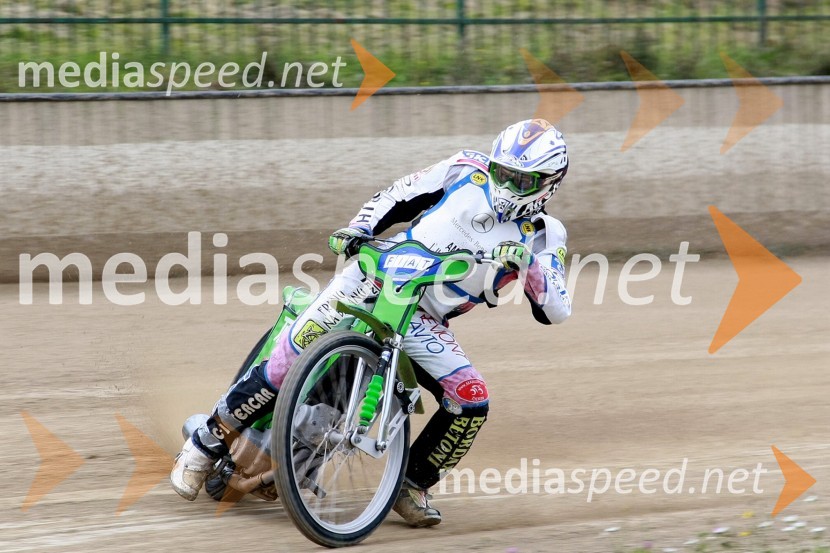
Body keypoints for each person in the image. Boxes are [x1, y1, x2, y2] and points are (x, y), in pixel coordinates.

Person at [170, 118, 572, 527]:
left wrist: (530, 265)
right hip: (370, 280)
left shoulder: (544, 234)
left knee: (471, 398)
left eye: (521, 181)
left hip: (423, 318)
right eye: (502, 172)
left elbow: (557, 309)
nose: (506, 185)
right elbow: (400, 195)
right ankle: (202, 447)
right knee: (284, 360)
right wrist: (360, 228)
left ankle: (411, 484)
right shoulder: (465, 168)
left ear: (549, 183)